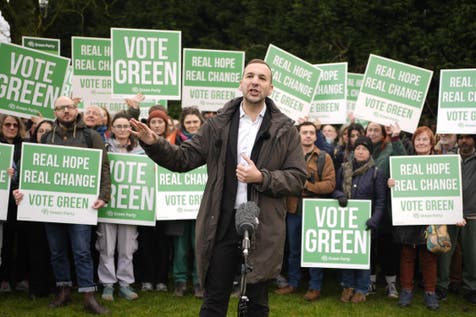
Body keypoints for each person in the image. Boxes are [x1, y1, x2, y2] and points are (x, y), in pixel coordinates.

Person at [130, 59, 307, 316]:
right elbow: (183, 158)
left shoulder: (285, 129)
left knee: (256, 305)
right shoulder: (217, 125)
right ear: (241, 83)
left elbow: (298, 178)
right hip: (221, 223)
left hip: (263, 225)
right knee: (214, 301)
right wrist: (153, 142)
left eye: (262, 78)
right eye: (250, 76)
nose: (255, 81)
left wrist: (262, 177)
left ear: (270, 88)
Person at [13, 96, 111, 315]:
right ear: (55, 112)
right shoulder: (47, 137)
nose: (66, 111)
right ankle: (63, 290)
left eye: (70, 107)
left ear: (76, 109)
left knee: (82, 251)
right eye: (61, 108)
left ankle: (87, 295)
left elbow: (104, 167)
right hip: (52, 206)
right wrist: (23, 192)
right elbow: (36, 170)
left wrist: (104, 195)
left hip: (81, 206)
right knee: (57, 251)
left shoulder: (90, 136)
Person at [389, 126, 464, 310]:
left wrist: (456, 214)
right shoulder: (406, 164)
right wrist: (392, 182)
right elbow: (397, 174)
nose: (421, 143)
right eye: (418, 139)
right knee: (407, 255)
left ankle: (430, 293)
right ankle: (406, 290)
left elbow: (451, 189)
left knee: (429, 256)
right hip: (410, 217)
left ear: (431, 143)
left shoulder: (442, 164)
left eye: (425, 140)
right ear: (413, 142)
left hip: (431, 217)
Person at [275, 121, 335, 301]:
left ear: (316, 136)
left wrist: (308, 186)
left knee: (314, 250)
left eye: (311, 132)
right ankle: (293, 283)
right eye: (304, 132)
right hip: (293, 210)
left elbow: (330, 184)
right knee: (294, 250)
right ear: (298, 135)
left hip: (314, 211)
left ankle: (315, 286)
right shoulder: (288, 156)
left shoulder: (324, 157)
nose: (308, 135)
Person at [333, 136, 386, 303]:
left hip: (366, 223)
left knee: (364, 257)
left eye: (364, 149)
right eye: (357, 148)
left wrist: (375, 219)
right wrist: (340, 195)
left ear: (369, 152)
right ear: (353, 151)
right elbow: (334, 188)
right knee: (348, 255)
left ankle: (362, 288)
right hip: (347, 221)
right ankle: (347, 286)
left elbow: (381, 200)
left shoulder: (376, 172)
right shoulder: (343, 169)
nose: (360, 151)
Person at [97, 112, 143, 301]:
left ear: (131, 129)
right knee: (106, 247)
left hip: (130, 207)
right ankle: (108, 284)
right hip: (108, 205)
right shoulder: (104, 148)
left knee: (127, 247)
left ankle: (125, 283)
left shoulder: (141, 151)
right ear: (112, 129)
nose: (123, 129)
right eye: (119, 126)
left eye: (126, 126)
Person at [163, 106, 205, 298]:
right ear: (182, 123)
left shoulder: (210, 141)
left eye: (195, 122)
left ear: (201, 122)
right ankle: (180, 281)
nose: (192, 125)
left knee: (199, 245)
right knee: (180, 246)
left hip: (201, 203)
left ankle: (199, 282)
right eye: (188, 122)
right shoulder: (172, 141)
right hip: (177, 205)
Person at [366, 122, 406, 297]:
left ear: (383, 134)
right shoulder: (361, 150)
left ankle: (391, 284)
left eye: (376, 130)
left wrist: (396, 137)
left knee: (387, 247)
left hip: (386, 209)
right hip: (366, 207)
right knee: (369, 248)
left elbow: (403, 161)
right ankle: (371, 282)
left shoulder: (390, 149)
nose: (372, 133)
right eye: (370, 130)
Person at [135, 109, 173, 293]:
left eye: (160, 122)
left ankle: (162, 279)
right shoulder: (139, 145)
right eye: (153, 122)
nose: (157, 125)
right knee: (145, 241)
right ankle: (147, 278)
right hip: (144, 200)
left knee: (163, 242)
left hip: (165, 203)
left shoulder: (173, 145)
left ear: (166, 125)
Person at [436, 134, 476, 304]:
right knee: (445, 252)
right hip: (449, 213)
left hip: (473, 213)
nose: (464, 141)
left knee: (472, 254)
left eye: (468, 138)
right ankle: (442, 285)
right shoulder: (449, 158)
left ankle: (471, 287)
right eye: (461, 138)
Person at [0, 114, 28, 293]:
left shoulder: (25, 146)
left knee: (23, 241)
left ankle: (20, 278)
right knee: (5, 242)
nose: (11, 128)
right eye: (7, 124)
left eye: (15, 125)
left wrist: (17, 175)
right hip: (3, 202)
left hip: (22, 201)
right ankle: (4, 279)